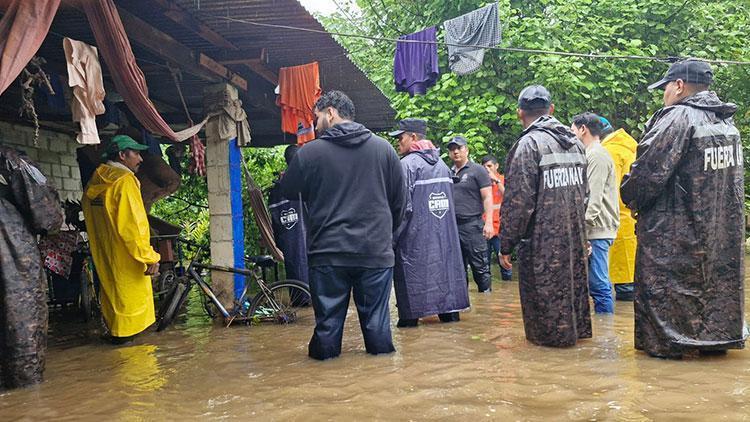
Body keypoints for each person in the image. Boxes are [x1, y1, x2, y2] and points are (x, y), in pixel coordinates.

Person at [621, 60, 747, 359]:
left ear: (678, 86)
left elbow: (646, 176)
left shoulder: (677, 118)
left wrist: (628, 195)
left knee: (668, 346)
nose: (663, 94)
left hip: (673, 243)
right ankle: (712, 345)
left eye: (664, 87)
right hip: (719, 241)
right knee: (709, 331)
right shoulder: (726, 123)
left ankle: (672, 353)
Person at [280, 90, 406, 360]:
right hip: (375, 252)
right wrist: (386, 239)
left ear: (331, 113)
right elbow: (401, 203)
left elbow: (286, 191)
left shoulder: (309, 153)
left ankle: (322, 391)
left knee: (327, 326)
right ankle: (385, 386)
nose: (315, 125)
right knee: (377, 325)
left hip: (328, 253)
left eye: (317, 118)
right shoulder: (384, 149)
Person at [499, 85, 592, 347]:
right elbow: (585, 194)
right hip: (574, 238)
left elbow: (518, 202)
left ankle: (550, 352)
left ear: (520, 113)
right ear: (551, 110)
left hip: (541, 245)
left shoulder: (528, 145)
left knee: (544, 320)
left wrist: (506, 244)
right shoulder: (575, 143)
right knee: (572, 300)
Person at [389, 118, 469, 327]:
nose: (398, 143)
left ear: (413, 137)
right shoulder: (443, 165)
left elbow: (402, 209)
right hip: (445, 244)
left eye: (401, 138)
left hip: (414, 246)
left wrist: (391, 240)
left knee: (409, 318)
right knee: (449, 317)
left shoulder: (406, 165)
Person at [82, 135, 161, 344]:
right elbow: (133, 226)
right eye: (136, 153)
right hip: (128, 263)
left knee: (117, 319)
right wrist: (150, 256)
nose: (141, 159)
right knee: (134, 337)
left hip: (106, 259)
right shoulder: (124, 182)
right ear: (122, 155)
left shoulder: (95, 181)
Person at [0, 146, 63, 390]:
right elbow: (49, 218)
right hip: (12, 258)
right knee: (22, 337)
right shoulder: (13, 161)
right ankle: (27, 404)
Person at [571, 112, 620, 314]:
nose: (571, 134)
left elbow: (594, 198)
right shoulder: (591, 154)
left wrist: (583, 229)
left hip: (597, 230)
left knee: (599, 285)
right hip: (595, 228)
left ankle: (605, 334)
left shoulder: (596, 155)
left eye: (573, 130)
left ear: (583, 129)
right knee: (595, 284)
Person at [447, 136, 494, 293]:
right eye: (452, 149)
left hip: (473, 225)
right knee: (457, 269)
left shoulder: (478, 170)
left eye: (459, 148)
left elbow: (487, 197)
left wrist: (488, 223)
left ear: (466, 149)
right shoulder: (447, 172)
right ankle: (462, 306)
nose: (456, 152)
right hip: (452, 227)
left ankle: (486, 304)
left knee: (480, 267)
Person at [599, 116, 638, 301]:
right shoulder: (630, 147)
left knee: (623, 284)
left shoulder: (609, 151)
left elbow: (609, 189)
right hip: (632, 220)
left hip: (617, 223)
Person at [269, 145, 308, 285]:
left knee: (293, 268)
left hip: (288, 236)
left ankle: (299, 299)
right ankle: (307, 298)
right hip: (307, 234)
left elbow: (274, 220)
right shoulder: (307, 180)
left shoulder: (277, 188)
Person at [480, 154, 512, 281]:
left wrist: (496, 181)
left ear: (496, 166)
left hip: (500, 229)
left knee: (505, 264)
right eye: (484, 167)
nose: (487, 169)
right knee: (484, 265)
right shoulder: (481, 182)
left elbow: (510, 197)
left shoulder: (503, 179)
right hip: (485, 228)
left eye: (489, 166)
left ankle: (508, 294)